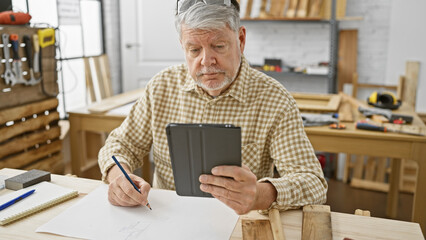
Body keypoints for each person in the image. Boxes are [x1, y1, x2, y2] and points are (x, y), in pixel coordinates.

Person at [98, 0, 327, 215]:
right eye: (194, 50)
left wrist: (260, 194)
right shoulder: (161, 87)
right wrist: (119, 177)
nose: (207, 61)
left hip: (239, 223)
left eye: (218, 46)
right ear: (182, 46)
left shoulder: (275, 100)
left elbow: (313, 183)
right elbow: (120, 145)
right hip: (168, 220)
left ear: (241, 40)